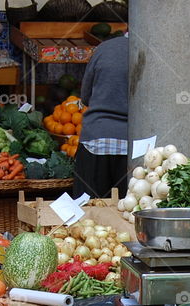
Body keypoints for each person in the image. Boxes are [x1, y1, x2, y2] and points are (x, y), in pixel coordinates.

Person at [72, 32, 129, 199]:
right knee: (127, 212)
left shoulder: (104, 49)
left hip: (96, 139)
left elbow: (86, 97)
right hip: (132, 144)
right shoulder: (152, 51)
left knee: (88, 209)